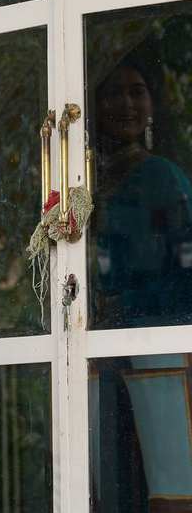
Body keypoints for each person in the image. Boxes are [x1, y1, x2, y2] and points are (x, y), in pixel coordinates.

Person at [91, 55, 192, 328]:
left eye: (137, 92)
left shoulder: (162, 178)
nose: (126, 103)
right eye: (114, 93)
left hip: (158, 336)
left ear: (151, 105)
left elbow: (185, 271)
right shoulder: (84, 180)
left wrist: (122, 306)